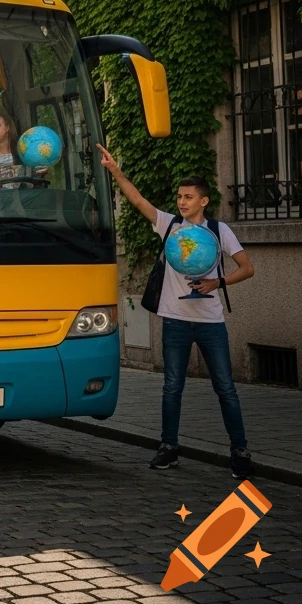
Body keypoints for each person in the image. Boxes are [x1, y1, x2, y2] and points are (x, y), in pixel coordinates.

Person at [97, 146, 256, 478]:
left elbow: (247, 268)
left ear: (203, 201)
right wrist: (115, 171)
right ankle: (168, 447)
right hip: (175, 321)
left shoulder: (218, 231)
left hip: (210, 323)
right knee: (172, 387)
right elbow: (139, 201)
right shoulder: (170, 225)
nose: (182, 202)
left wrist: (217, 282)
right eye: (179, 196)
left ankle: (239, 451)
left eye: (188, 197)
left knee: (225, 387)